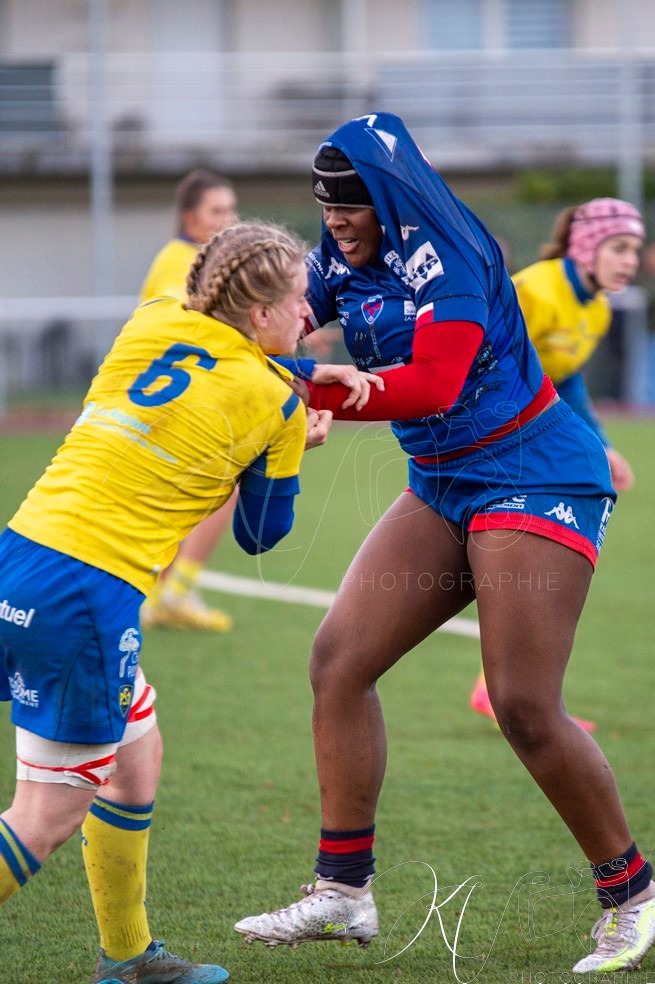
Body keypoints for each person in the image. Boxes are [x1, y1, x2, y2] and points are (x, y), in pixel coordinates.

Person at [234, 114, 655, 973]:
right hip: (441, 481)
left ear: (390, 197)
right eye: (325, 207)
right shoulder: (337, 252)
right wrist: (214, 341)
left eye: (350, 206)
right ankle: (343, 892)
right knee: (337, 663)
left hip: (534, 473)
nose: (335, 222)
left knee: (522, 704)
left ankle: (634, 896)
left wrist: (304, 387)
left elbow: (432, 384)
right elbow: (276, 322)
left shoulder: (451, 254)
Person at [0, 220, 339, 984]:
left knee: (135, 760)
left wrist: (291, 374)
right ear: (260, 313)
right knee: (45, 817)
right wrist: (293, 442)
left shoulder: (154, 317)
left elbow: (203, 366)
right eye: (298, 301)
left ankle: (126, 958)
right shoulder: (276, 405)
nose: (308, 315)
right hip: (84, 597)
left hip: (19, 555)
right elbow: (259, 534)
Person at [469, 197, 645, 730]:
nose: (631, 261)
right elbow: (483, 359)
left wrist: (602, 443)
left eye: (635, 250)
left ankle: (496, 689)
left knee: (537, 557)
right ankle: (507, 693)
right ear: (587, 246)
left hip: (531, 434)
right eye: (619, 248)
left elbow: (566, 380)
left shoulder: (596, 308)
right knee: (529, 557)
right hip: (488, 433)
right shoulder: (537, 290)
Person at [140, 168, 240, 633]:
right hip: (174, 402)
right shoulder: (182, 261)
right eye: (216, 210)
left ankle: (163, 593)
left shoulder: (193, 258)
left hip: (176, 399)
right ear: (189, 217)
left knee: (186, 498)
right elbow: (193, 331)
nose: (228, 219)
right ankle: (174, 592)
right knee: (222, 487)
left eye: (231, 210)